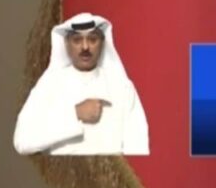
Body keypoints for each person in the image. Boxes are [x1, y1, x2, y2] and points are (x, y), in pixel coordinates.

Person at [13, 12, 149, 156]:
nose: (85, 47)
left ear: (102, 43)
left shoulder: (122, 88)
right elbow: (22, 141)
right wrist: (75, 114)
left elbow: (138, 148)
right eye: (77, 40)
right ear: (66, 44)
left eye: (92, 39)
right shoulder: (50, 85)